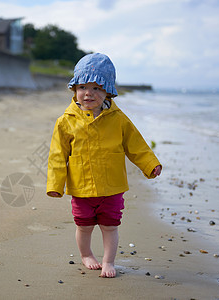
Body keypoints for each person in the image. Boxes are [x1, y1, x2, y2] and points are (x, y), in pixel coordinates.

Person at [46, 53, 162, 278]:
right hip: (81, 188)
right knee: (84, 226)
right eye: (82, 87)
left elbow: (135, 145)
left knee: (110, 226)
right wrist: (55, 185)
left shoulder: (118, 119)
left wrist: (150, 164)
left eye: (96, 88)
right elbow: (57, 156)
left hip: (112, 187)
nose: (88, 93)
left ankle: (109, 261)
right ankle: (87, 254)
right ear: (74, 89)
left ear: (107, 90)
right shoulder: (66, 121)